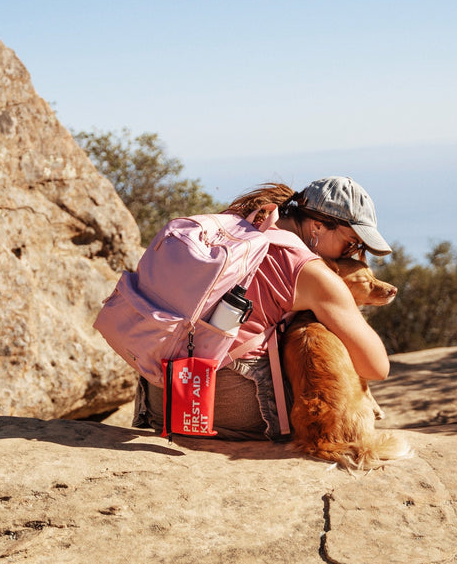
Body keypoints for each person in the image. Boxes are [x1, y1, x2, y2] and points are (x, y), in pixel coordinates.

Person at [133, 176, 394, 440]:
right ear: (317, 226)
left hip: (162, 398)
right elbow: (376, 367)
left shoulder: (238, 226)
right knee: (324, 396)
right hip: (225, 408)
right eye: (351, 243)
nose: (352, 254)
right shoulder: (309, 271)